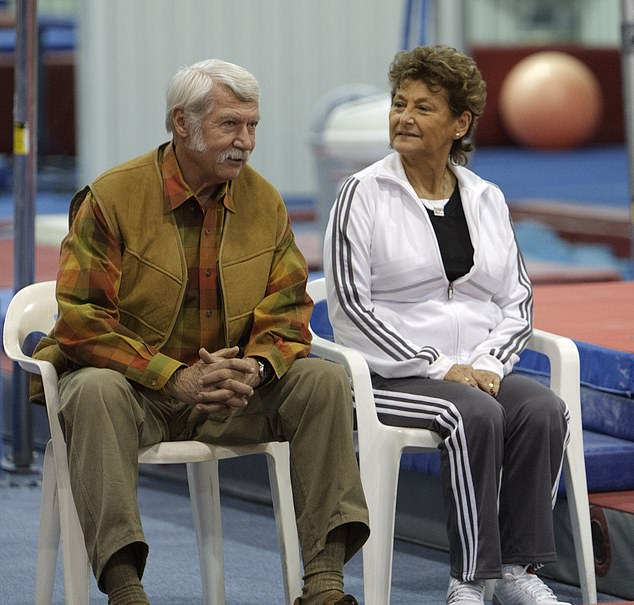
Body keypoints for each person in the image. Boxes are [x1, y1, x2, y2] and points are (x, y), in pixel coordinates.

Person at [33, 58, 368, 605]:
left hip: (229, 396)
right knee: (93, 388)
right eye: (229, 125)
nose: (245, 141)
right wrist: (173, 377)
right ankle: (125, 591)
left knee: (322, 383)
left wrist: (255, 369)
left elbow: (288, 308)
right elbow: (82, 319)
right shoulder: (113, 198)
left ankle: (325, 586)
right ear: (181, 124)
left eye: (252, 125)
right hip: (134, 396)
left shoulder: (264, 203)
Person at [323, 45, 571, 605]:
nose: (404, 117)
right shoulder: (360, 194)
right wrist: (440, 368)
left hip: (474, 371)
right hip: (388, 377)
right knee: (475, 413)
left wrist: (484, 363)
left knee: (541, 409)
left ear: (460, 123)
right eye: (398, 104)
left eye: (424, 107)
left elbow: (518, 301)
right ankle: (471, 578)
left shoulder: (486, 198)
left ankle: (517, 571)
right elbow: (350, 309)